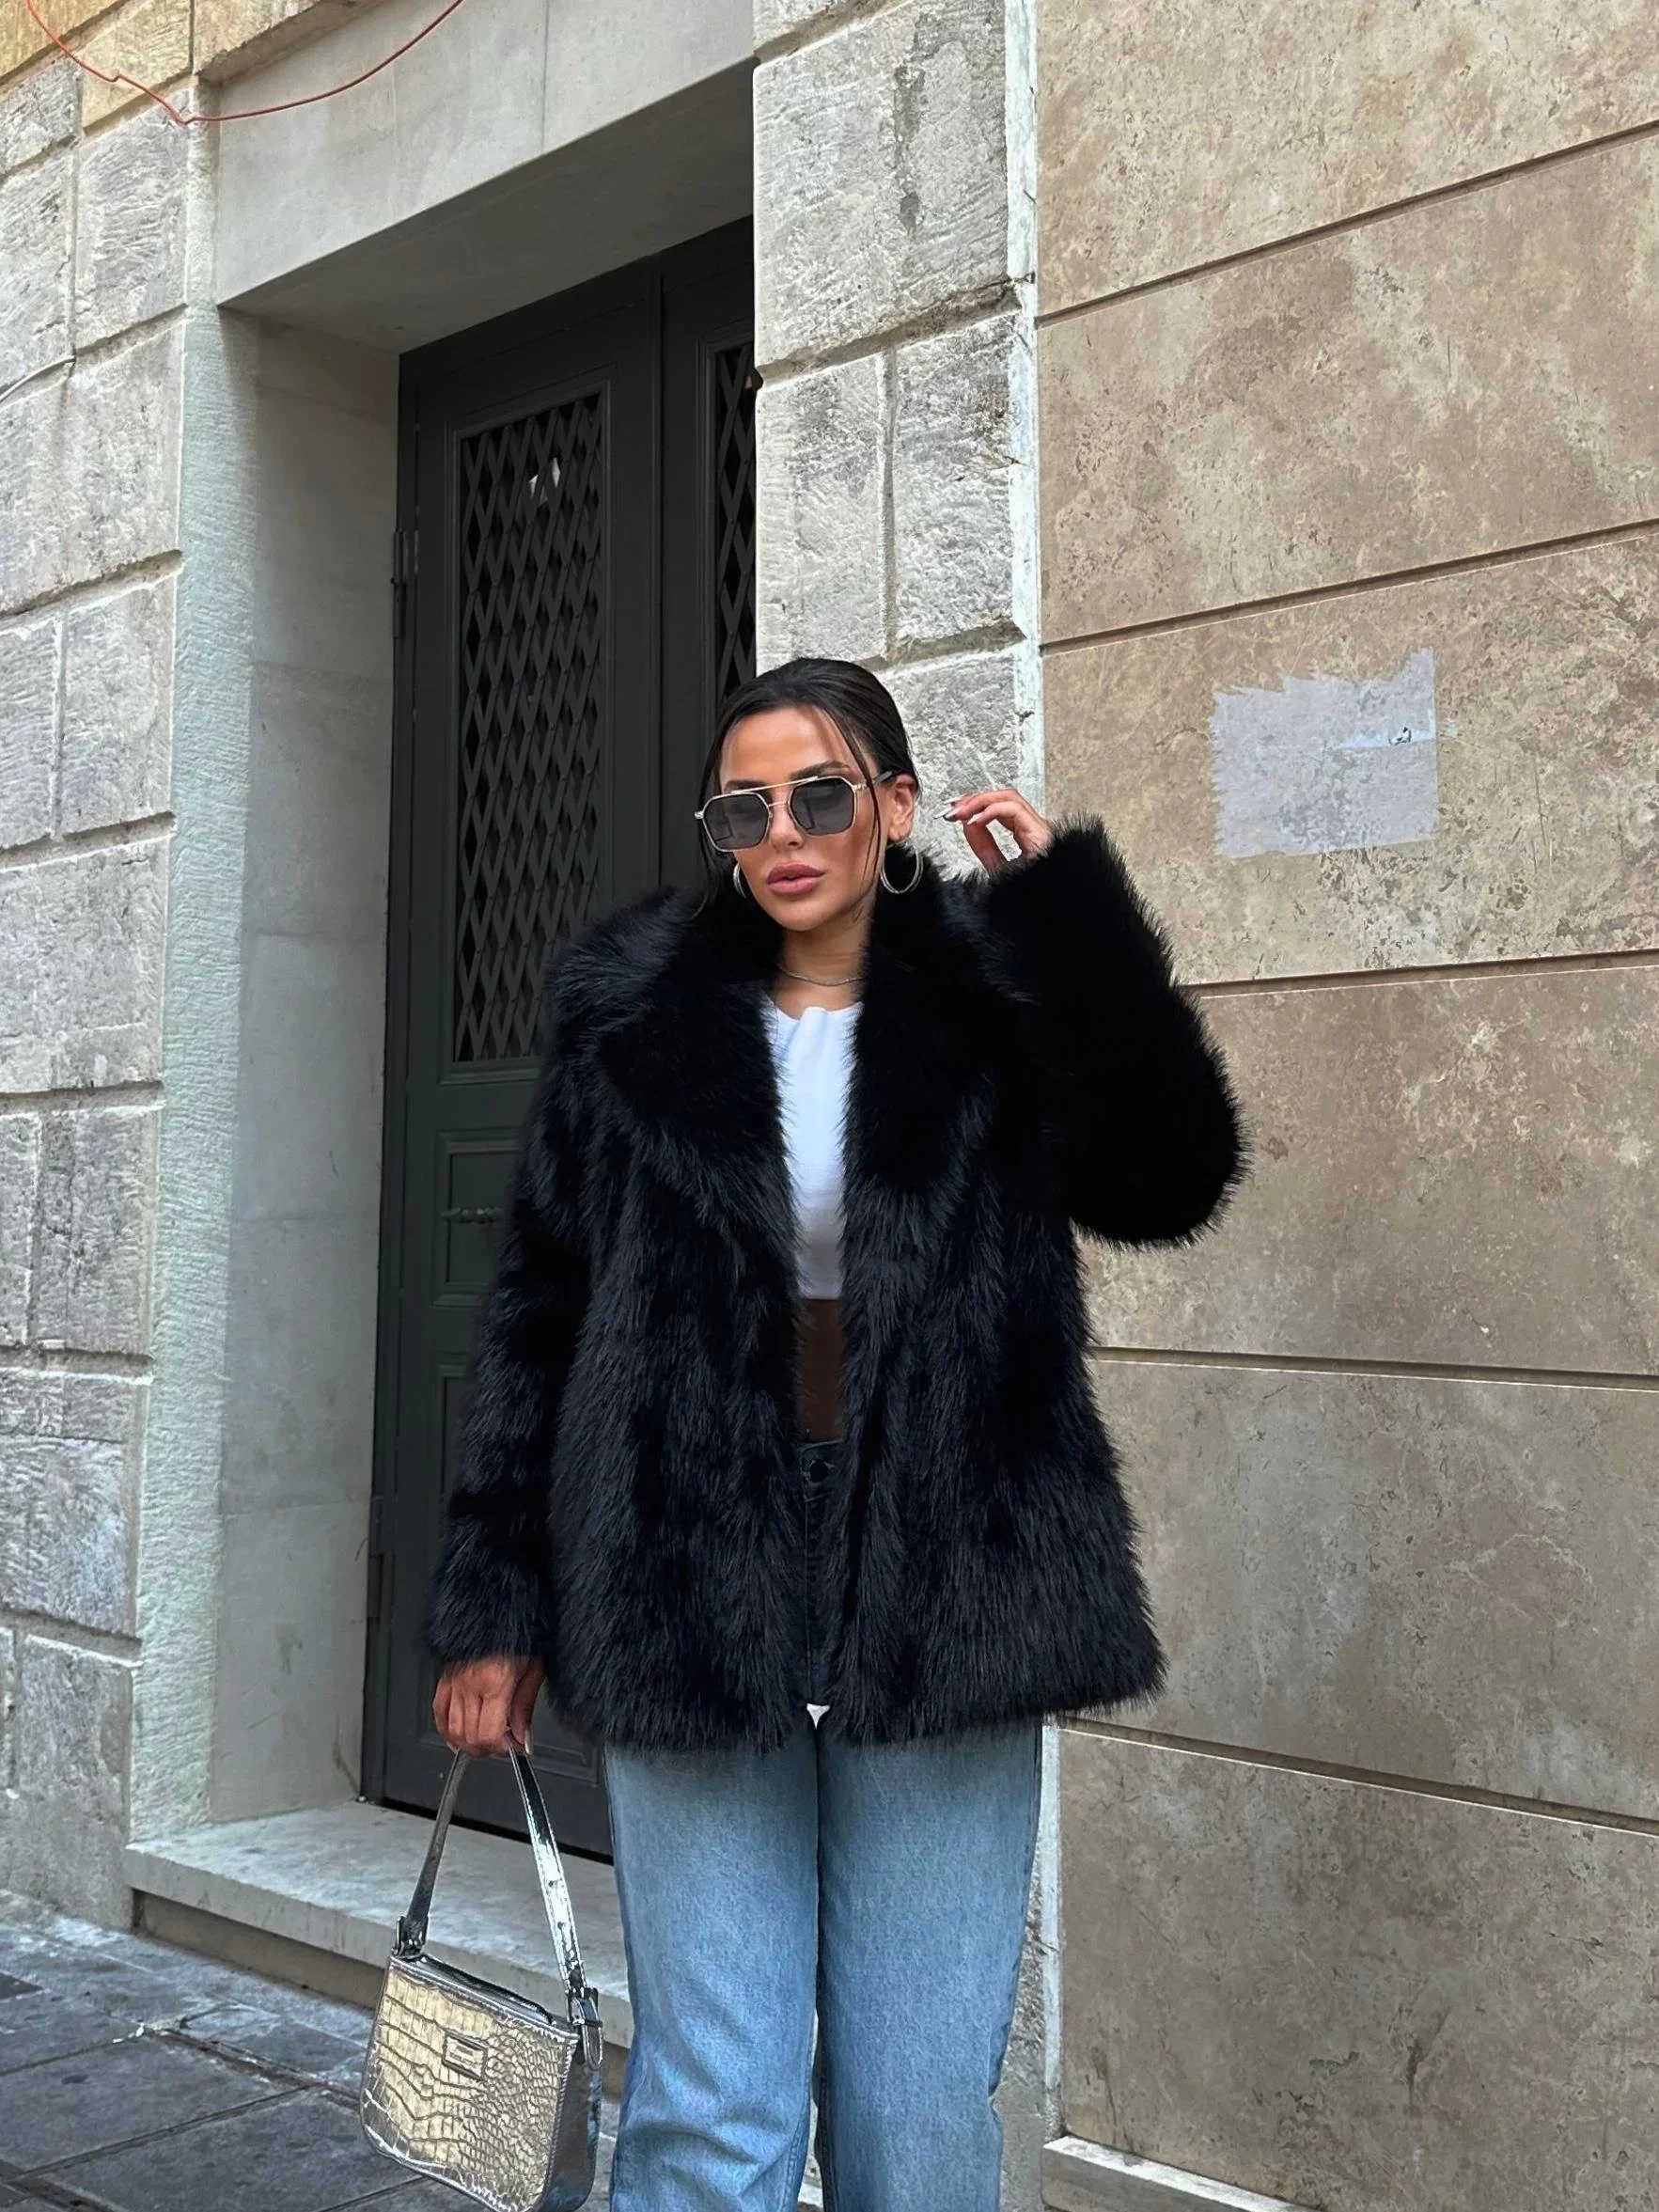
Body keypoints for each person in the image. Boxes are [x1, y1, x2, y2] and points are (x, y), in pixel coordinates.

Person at [426, 656, 1243, 2210]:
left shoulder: (997, 1000)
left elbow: (1170, 1177)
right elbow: (539, 1312)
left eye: (818, 795)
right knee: (709, 2104)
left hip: (954, 1572)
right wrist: (494, 1606)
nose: (784, 835)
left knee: (915, 2104)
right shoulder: (633, 1019)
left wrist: (1071, 929)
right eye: (745, 810)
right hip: (680, 1569)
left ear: (897, 804)